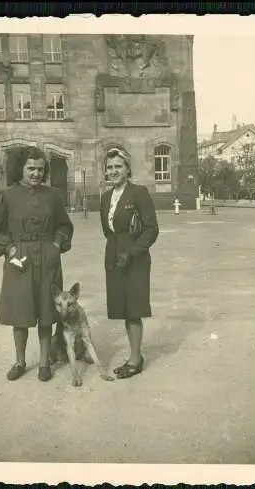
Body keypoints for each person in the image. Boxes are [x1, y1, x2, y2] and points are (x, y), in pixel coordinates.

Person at [0, 147, 74, 382]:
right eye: (31, 168)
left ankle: (44, 363)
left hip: (48, 259)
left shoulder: (53, 195)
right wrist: (9, 248)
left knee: (46, 312)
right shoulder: (5, 196)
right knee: (20, 314)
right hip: (18, 260)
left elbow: (65, 226)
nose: (36, 173)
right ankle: (20, 361)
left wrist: (56, 244)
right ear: (21, 169)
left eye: (40, 169)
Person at [100, 147, 159, 379]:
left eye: (118, 166)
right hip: (114, 256)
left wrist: (132, 251)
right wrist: (117, 252)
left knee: (133, 310)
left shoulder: (139, 193)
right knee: (123, 309)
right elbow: (108, 231)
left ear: (127, 169)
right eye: (110, 167)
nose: (113, 171)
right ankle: (134, 355)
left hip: (135, 259)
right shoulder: (105, 198)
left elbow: (152, 229)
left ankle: (135, 359)